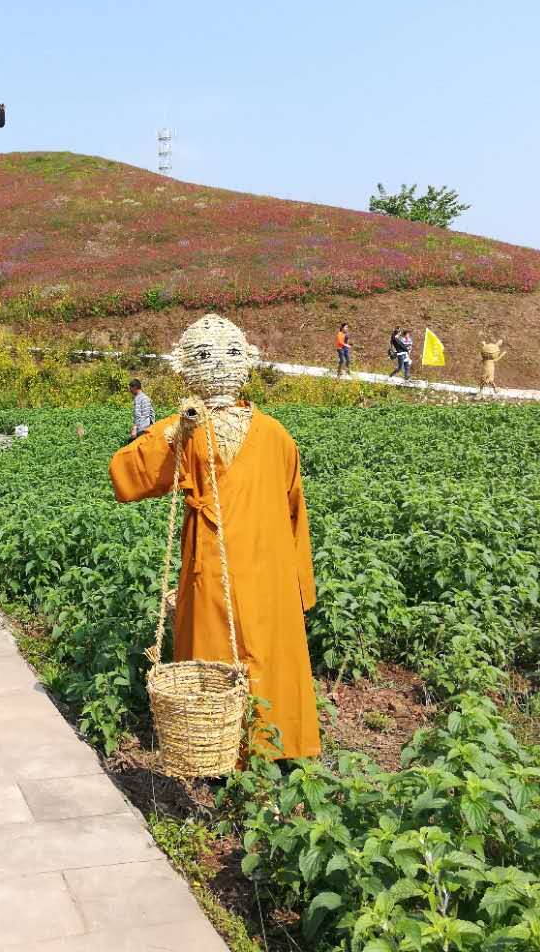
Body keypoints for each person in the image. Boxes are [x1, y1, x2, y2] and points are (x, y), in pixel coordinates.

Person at [108, 314, 320, 760]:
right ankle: (275, 748)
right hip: (270, 573)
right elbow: (297, 514)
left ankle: (220, 751)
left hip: (215, 572)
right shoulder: (271, 434)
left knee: (214, 660)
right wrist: (300, 585)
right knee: (269, 655)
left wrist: (171, 431)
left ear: (185, 370)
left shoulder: (189, 431)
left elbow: (125, 473)